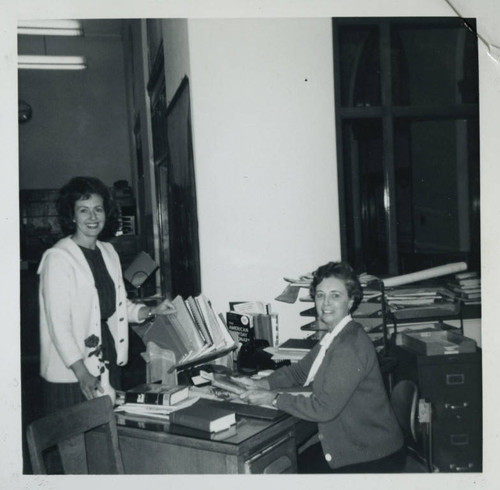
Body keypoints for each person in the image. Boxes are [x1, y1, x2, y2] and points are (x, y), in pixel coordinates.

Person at [239, 261, 405, 473]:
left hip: (371, 454)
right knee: (294, 463)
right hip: (354, 443)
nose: (326, 303)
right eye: (320, 295)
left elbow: (324, 409)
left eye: (335, 295)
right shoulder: (335, 336)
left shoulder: (349, 345)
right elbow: (299, 372)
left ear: (351, 300)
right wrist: (261, 383)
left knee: (290, 470)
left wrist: (272, 398)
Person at [38, 176, 176, 415]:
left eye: (98, 209)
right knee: (76, 440)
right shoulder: (58, 258)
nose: (92, 217)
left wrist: (152, 311)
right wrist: (82, 373)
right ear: (72, 215)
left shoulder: (108, 251)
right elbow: (58, 326)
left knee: (106, 435)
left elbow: (119, 305)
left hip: (107, 353)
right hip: (73, 366)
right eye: (84, 210)